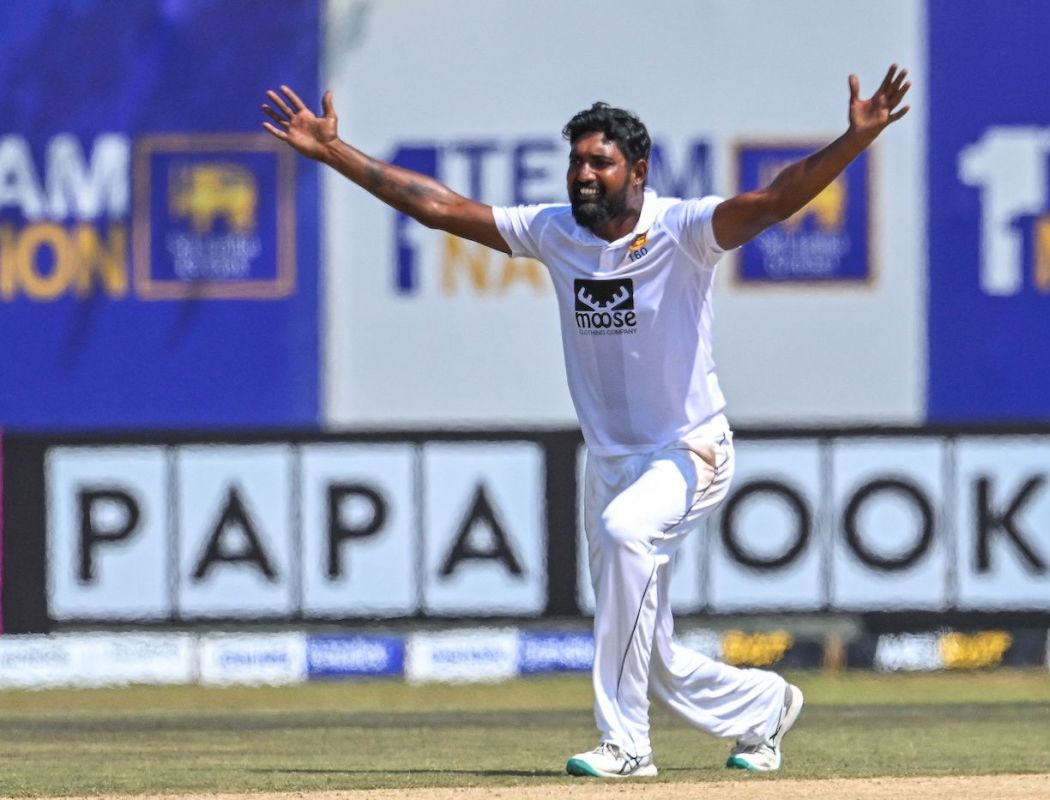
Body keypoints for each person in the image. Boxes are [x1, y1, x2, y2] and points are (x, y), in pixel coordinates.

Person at [262, 65, 910, 778]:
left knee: (627, 531)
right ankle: (762, 708)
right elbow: (440, 208)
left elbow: (773, 199)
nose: (582, 175)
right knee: (646, 648)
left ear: (638, 170)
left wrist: (852, 142)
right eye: (575, 161)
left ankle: (627, 747)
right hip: (612, 464)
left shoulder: (683, 230)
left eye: (599, 161)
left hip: (689, 451)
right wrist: (336, 152)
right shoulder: (556, 233)